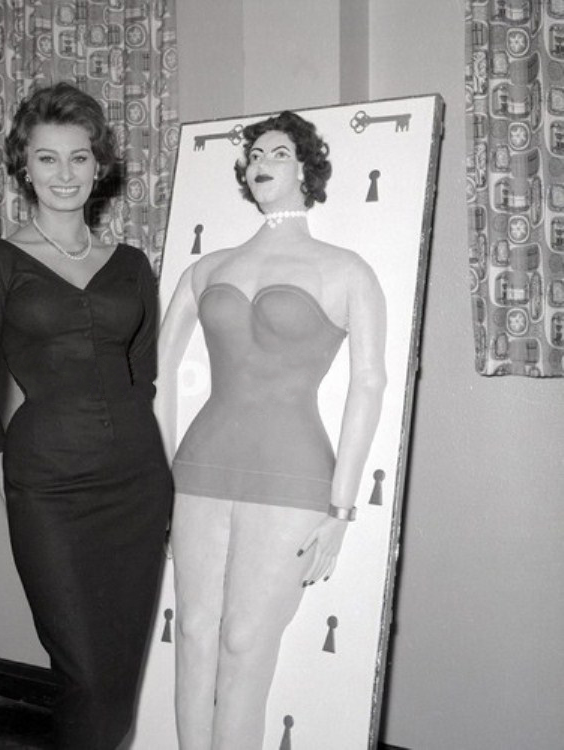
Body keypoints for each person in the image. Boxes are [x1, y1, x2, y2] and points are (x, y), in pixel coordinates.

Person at [155, 111, 387, 750]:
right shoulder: (205, 270)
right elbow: (156, 377)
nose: (261, 162)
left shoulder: (347, 271)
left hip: (293, 474)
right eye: (254, 153)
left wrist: (341, 509)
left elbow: (369, 385)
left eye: (278, 152)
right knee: (194, 635)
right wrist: (158, 477)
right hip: (200, 468)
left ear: (306, 168)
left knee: (243, 643)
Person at [0, 82, 172, 750]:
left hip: (136, 488)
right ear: (24, 168)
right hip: (46, 491)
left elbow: (142, 379)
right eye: (47, 158)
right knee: (85, 672)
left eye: (79, 157)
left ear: (98, 165)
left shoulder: (131, 265)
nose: (65, 174)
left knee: (119, 678)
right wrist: (15, 491)